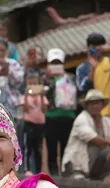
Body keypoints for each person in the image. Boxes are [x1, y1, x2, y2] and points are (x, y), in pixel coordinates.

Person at [76, 32, 110, 133]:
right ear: (88, 48)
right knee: (96, 146)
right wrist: (92, 69)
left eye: (100, 45)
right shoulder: (82, 68)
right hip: (93, 115)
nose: (97, 48)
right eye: (93, 46)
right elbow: (82, 88)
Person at [62, 89, 110, 181]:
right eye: (92, 103)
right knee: (99, 146)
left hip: (92, 166)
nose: (95, 106)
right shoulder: (81, 119)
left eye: (97, 103)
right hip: (75, 167)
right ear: (87, 106)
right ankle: (83, 175)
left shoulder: (106, 121)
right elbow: (94, 139)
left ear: (102, 105)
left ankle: (97, 177)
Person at [43, 47, 77, 176]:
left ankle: (65, 174)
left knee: (66, 148)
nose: (56, 66)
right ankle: (54, 176)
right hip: (51, 117)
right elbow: (43, 94)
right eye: (53, 63)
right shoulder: (44, 79)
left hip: (68, 117)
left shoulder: (71, 77)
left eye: (58, 63)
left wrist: (63, 77)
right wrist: (49, 78)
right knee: (51, 149)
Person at [0, 36, 24, 122]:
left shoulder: (13, 63)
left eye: (2, 50)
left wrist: (9, 72)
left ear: (7, 51)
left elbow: (19, 82)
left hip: (13, 105)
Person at [21, 70, 48, 175]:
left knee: (38, 148)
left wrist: (41, 96)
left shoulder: (42, 97)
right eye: (30, 83)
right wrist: (26, 95)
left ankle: (38, 170)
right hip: (29, 123)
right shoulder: (26, 97)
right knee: (29, 146)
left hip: (40, 124)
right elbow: (25, 109)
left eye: (34, 83)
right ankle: (27, 169)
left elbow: (44, 109)